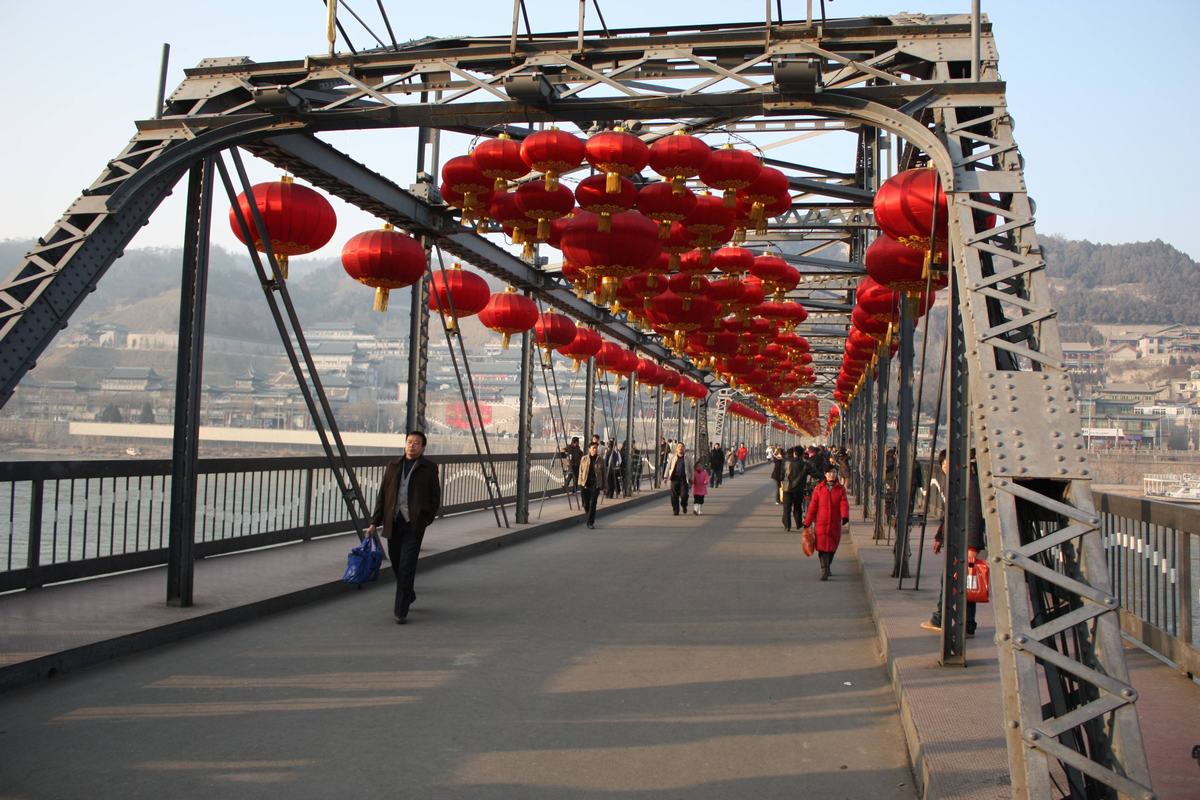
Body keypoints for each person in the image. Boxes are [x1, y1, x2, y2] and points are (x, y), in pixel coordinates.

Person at [367, 431, 442, 624]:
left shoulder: (429, 468)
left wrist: (427, 518)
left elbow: (435, 497)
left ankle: (401, 610)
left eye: (417, 443)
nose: (412, 446)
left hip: (414, 523)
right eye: (409, 442)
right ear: (404, 445)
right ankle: (408, 593)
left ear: (423, 447)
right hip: (393, 522)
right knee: (396, 560)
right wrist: (374, 522)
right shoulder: (393, 467)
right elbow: (383, 495)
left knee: (407, 565)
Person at [922, 450, 986, 637]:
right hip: (956, 540)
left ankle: (941, 618)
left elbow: (974, 514)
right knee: (965, 582)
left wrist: (972, 546)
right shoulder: (956, 482)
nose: (944, 466)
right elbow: (948, 516)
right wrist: (939, 538)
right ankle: (967, 624)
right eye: (942, 464)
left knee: (952, 579)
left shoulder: (969, 482)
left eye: (947, 462)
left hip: (964, 542)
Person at [804, 464, 849, 581]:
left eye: (834, 472)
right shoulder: (819, 489)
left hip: (835, 524)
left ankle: (828, 565)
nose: (832, 475)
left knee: (832, 548)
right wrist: (807, 522)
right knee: (823, 548)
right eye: (829, 472)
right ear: (825, 474)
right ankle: (824, 569)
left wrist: (845, 516)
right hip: (821, 524)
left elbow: (843, 503)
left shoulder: (841, 489)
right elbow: (813, 507)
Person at [577, 441, 605, 529]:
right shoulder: (584, 459)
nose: (595, 450)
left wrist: (604, 486)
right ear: (589, 449)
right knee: (586, 504)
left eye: (596, 448)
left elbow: (604, 473)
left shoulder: (601, 460)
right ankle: (589, 516)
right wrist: (581, 483)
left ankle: (590, 522)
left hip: (595, 485)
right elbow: (580, 472)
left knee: (593, 503)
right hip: (585, 484)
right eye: (593, 448)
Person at [663, 442, 693, 515]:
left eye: (682, 447)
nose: (681, 448)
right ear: (676, 449)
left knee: (684, 495)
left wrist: (692, 478)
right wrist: (665, 477)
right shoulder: (673, 457)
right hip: (674, 478)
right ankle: (675, 510)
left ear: (684, 449)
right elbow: (668, 467)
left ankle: (684, 505)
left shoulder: (688, 458)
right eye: (679, 447)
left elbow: (691, 469)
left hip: (684, 479)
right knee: (674, 496)